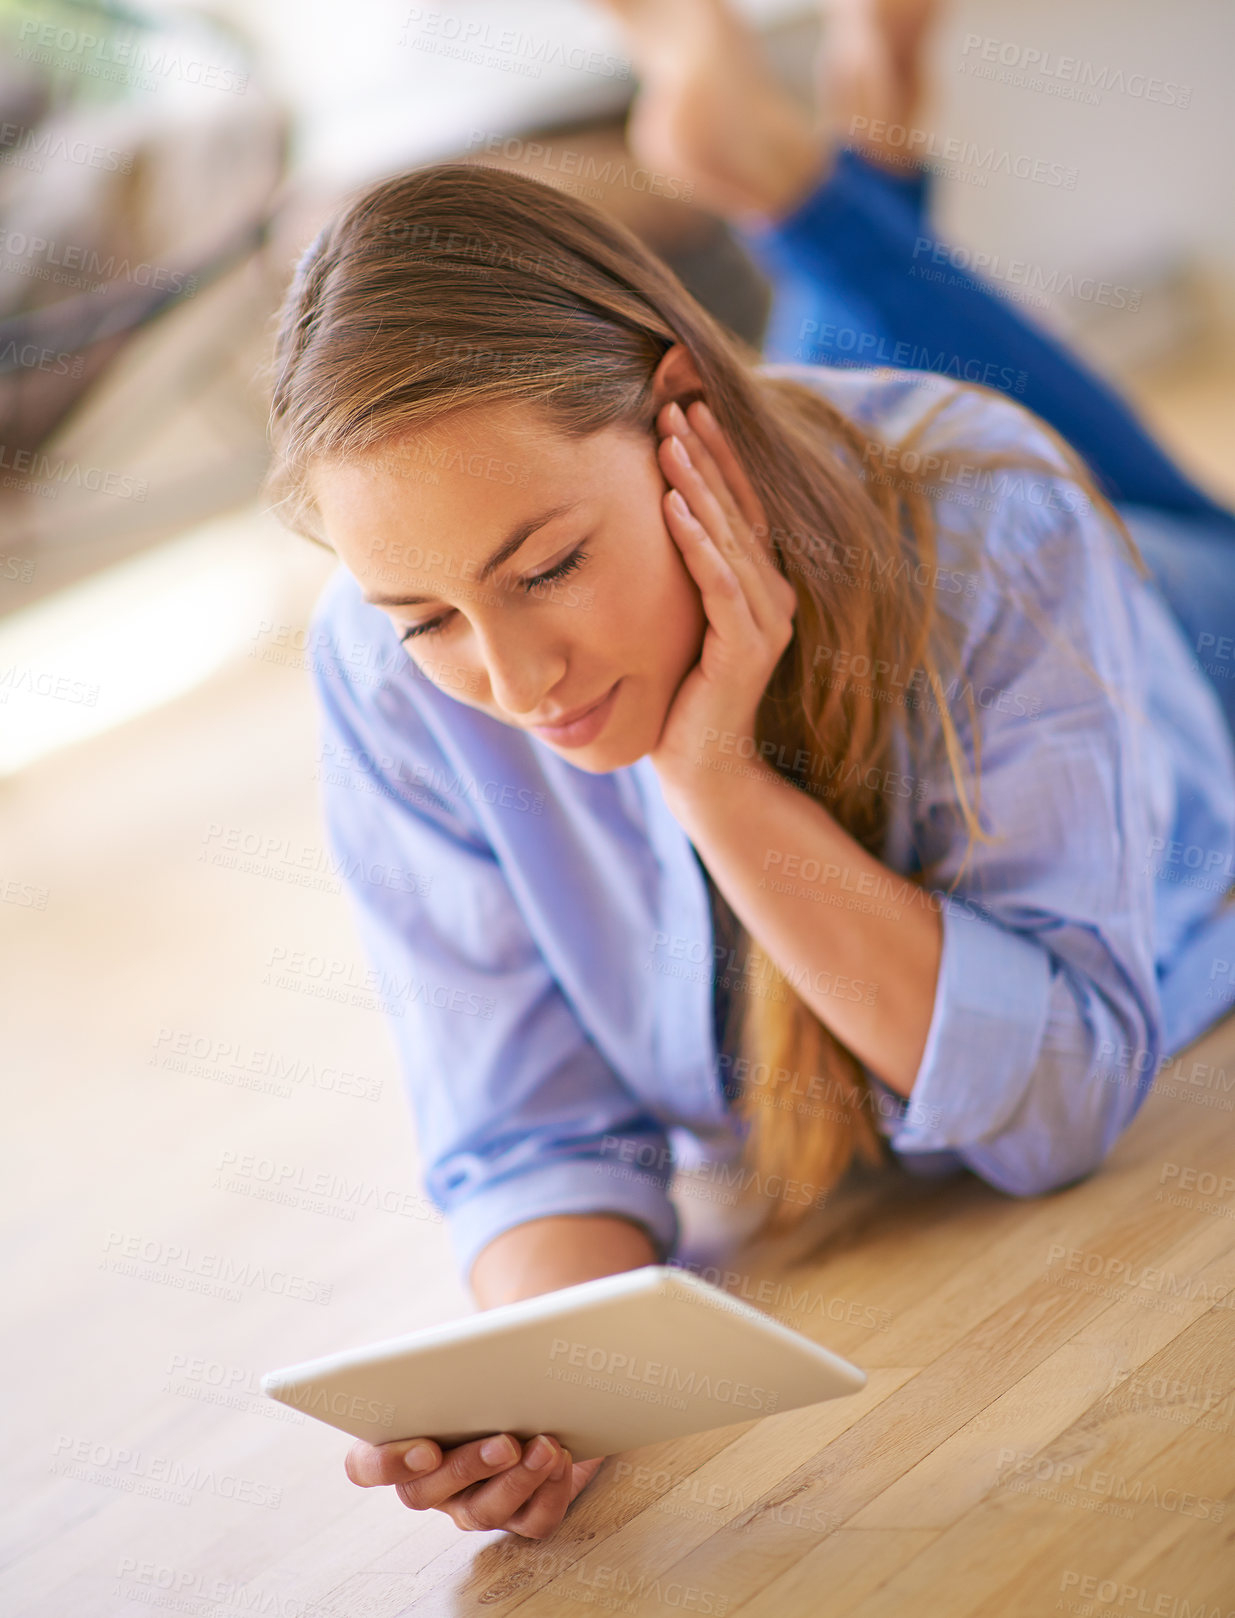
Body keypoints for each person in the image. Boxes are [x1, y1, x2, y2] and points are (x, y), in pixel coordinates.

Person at [263, 0, 1235, 1543]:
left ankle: (820, 171)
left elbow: (1057, 1100)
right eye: (431, 614)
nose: (518, 689)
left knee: (1028, 468)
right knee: (829, 403)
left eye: (548, 567)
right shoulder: (384, 666)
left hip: (1191, 653)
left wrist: (719, 787)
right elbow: (529, 1135)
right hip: (789, 465)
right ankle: (841, 158)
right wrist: (549, 1385)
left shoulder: (999, 530)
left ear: (672, 432)